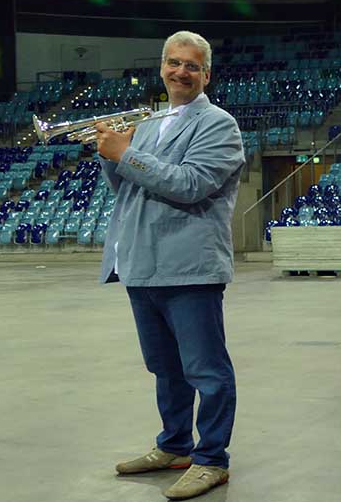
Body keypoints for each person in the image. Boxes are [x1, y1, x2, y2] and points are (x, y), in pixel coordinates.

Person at [96, 30, 245, 501]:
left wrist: (126, 154)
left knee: (207, 370)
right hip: (142, 263)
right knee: (165, 367)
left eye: (192, 65)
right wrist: (110, 156)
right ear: (161, 67)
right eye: (174, 63)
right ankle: (175, 445)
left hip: (189, 267)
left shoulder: (219, 124)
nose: (181, 71)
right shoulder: (150, 122)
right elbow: (129, 189)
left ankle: (212, 458)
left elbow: (191, 183)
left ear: (207, 74)